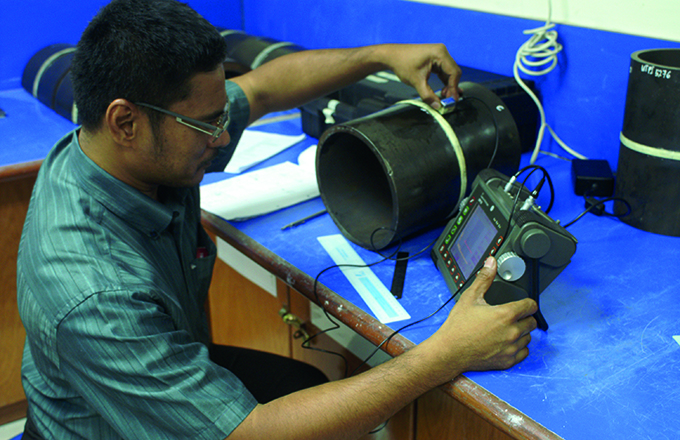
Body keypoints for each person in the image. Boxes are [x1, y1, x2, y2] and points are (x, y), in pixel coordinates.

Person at [17, 0, 538, 439]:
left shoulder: (114, 149)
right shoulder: (96, 294)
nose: (222, 137)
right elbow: (250, 433)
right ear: (125, 121)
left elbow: (264, 88)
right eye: (206, 124)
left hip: (165, 368)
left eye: (221, 116)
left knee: (308, 386)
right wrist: (445, 353)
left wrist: (381, 57)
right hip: (106, 429)